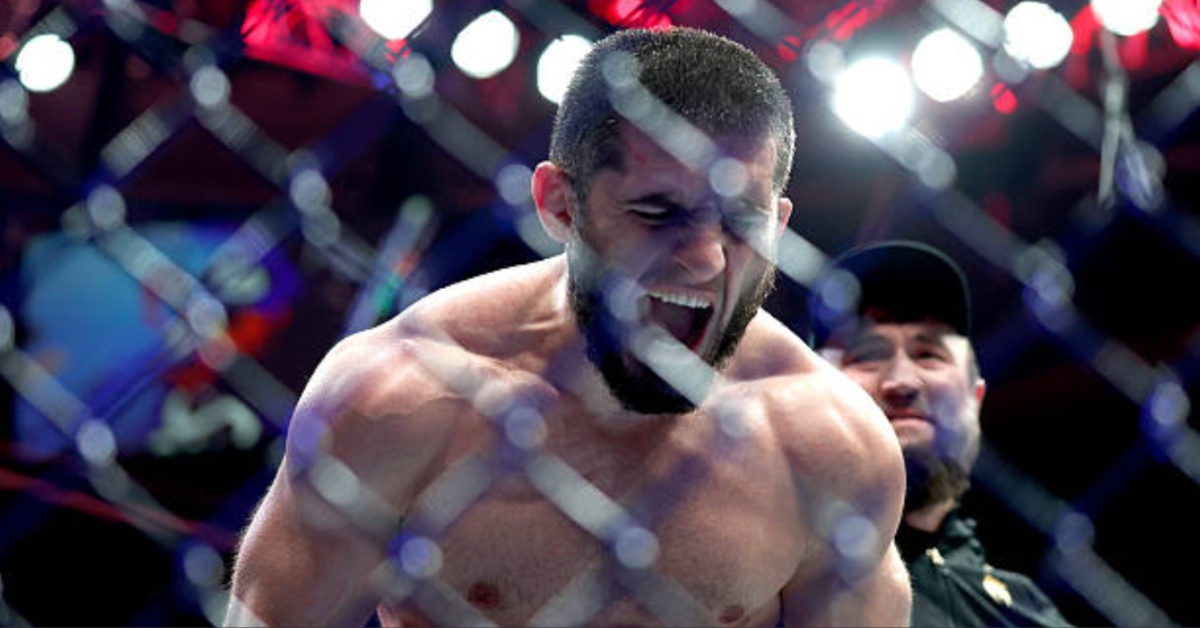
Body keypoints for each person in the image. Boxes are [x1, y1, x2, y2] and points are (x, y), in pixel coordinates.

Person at [226, 27, 911, 627]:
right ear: (558, 206)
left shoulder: (828, 444)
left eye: (741, 221)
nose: (704, 258)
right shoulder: (399, 397)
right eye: (656, 211)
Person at [808, 240, 1073, 627]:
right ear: (814, 393)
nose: (901, 381)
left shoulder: (1029, 612)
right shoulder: (771, 574)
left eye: (929, 355)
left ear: (974, 397)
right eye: (866, 355)